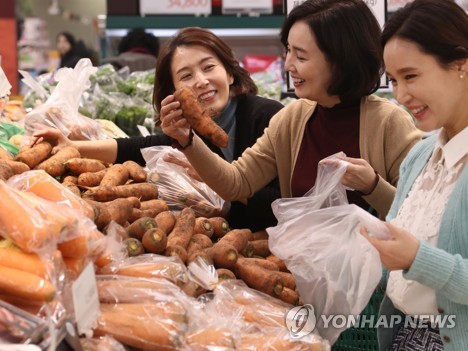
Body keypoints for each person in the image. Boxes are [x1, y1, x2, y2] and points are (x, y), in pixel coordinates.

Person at [160, 0, 421, 220]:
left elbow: (418, 216)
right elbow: (235, 183)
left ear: (341, 60)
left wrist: (372, 185)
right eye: (288, 51)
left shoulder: (390, 123)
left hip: (373, 276)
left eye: (301, 56)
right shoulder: (291, 119)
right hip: (302, 272)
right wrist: (187, 140)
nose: (288, 65)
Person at [33, 27, 284, 232]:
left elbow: (286, 204)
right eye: (186, 76)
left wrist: (213, 176)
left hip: (274, 245)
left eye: (209, 67)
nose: (201, 81)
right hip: (220, 245)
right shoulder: (188, 132)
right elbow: (137, 148)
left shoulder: (268, 117)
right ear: (174, 92)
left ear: (230, 73)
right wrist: (73, 146)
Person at [360, 1, 468, 350]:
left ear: (461, 65)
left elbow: (417, 258)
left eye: (411, 76)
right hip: (404, 335)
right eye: (392, 80)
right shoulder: (421, 154)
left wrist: (417, 259)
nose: (401, 95)